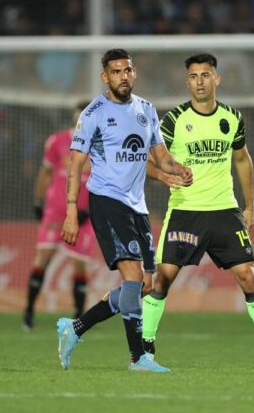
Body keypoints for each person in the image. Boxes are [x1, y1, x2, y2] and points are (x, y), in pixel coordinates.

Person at [141, 53, 254, 370]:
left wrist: (250, 205)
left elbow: (242, 159)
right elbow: (151, 158)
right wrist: (164, 174)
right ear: (187, 81)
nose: (200, 82)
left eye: (205, 75)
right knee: (162, 280)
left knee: (248, 275)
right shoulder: (174, 120)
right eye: (193, 76)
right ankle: (145, 349)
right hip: (185, 210)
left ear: (216, 79)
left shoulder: (232, 118)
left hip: (224, 210)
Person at [57, 48, 193, 373]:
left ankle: (74, 329)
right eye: (116, 71)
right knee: (132, 277)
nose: (123, 76)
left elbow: (158, 156)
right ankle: (139, 358)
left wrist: (178, 169)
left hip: (137, 206)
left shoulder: (145, 109)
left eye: (127, 70)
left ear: (134, 73)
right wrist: (72, 211)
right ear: (105, 76)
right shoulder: (93, 113)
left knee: (145, 284)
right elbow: (76, 163)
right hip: (106, 201)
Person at [23, 101, 94, 331]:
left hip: (83, 214)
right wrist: (37, 199)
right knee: (43, 257)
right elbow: (45, 172)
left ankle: (79, 318)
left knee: (80, 265)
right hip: (56, 210)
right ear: (74, 116)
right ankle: (29, 311)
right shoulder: (57, 141)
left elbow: (104, 182)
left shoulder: (101, 146)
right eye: (80, 113)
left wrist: (93, 209)